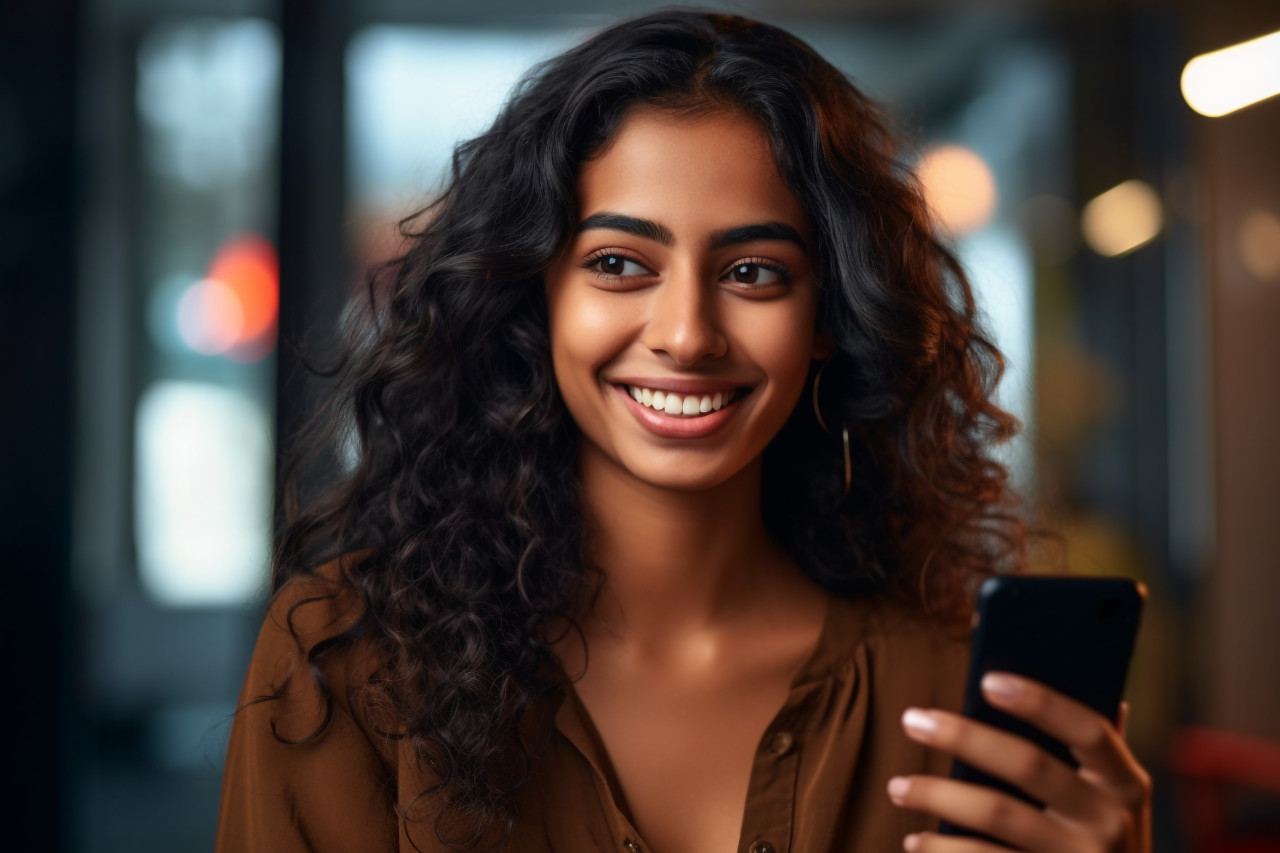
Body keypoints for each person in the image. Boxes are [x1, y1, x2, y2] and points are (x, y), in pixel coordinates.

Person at [216, 9, 1153, 853]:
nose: (687, 334)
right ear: (533, 298)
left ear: (829, 317)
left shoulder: (949, 686)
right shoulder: (346, 659)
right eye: (621, 262)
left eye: (753, 273)